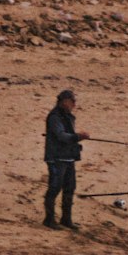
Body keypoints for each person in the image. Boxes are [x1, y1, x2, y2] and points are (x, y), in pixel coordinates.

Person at [43, 89, 89, 230]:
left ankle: (66, 219)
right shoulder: (54, 117)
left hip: (68, 157)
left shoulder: (68, 116)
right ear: (64, 101)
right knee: (55, 188)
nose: (74, 104)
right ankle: (49, 219)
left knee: (69, 188)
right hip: (56, 158)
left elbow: (67, 136)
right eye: (72, 101)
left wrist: (76, 140)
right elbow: (61, 136)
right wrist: (77, 137)